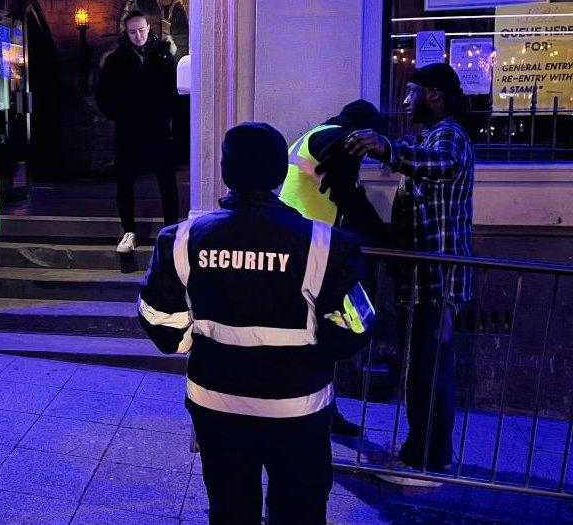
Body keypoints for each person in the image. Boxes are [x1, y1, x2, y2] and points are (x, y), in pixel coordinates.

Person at [139, 122, 375, 524]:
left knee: (230, 510)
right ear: (280, 174)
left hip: (216, 403)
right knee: (298, 512)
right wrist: (316, 352)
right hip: (298, 407)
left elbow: (159, 322)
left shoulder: (179, 239)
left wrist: (189, 342)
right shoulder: (326, 243)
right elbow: (356, 325)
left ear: (226, 172)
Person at [345, 62, 474, 487]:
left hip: (437, 278)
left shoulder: (449, 136)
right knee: (420, 369)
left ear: (434, 94)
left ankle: (428, 459)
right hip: (418, 278)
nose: (405, 100)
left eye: (412, 91)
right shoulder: (424, 136)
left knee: (429, 371)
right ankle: (421, 451)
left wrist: (387, 148)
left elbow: (438, 163)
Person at [278, 99, 387, 438]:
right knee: (322, 332)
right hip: (304, 252)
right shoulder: (332, 136)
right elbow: (341, 170)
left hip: (307, 248)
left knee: (317, 334)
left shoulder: (317, 134)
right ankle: (310, 411)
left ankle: (323, 409)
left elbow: (348, 196)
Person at [96, 10, 179, 253]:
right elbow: (103, 95)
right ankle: (128, 231)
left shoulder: (164, 55)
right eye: (132, 32)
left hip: (159, 130)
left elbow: (175, 93)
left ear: (148, 28)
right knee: (124, 182)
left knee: (167, 182)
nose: (138, 36)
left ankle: (171, 230)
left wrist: (169, 118)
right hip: (129, 130)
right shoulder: (116, 60)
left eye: (141, 30)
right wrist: (121, 114)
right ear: (126, 32)